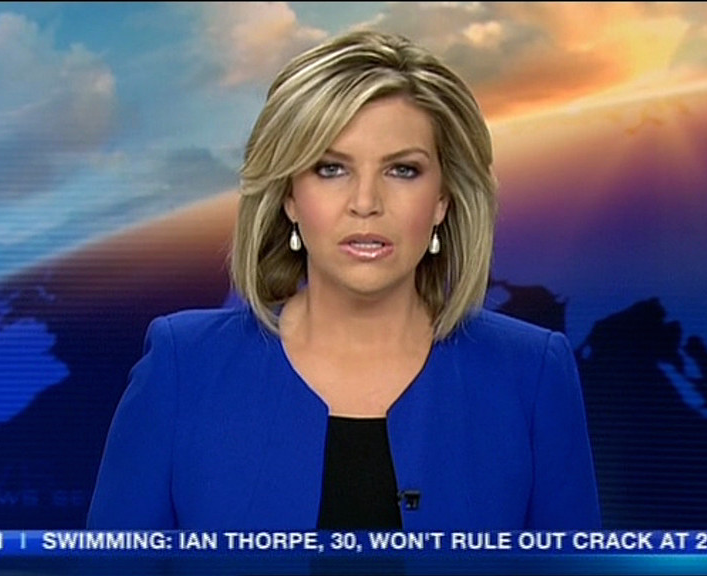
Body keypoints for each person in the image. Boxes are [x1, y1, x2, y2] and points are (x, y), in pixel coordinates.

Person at [87, 29, 600, 530]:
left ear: (443, 199)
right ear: (289, 196)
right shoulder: (185, 366)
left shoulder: (531, 375)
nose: (366, 202)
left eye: (402, 170)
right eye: (331, 169)